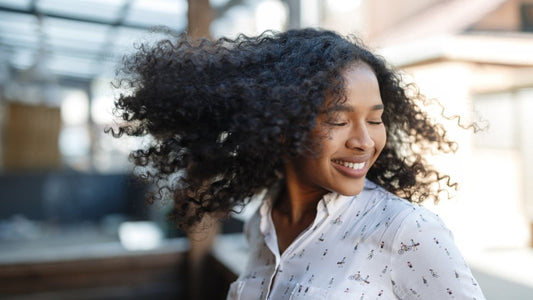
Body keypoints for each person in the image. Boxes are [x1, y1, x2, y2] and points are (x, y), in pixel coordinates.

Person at [110, 28, 486, 299]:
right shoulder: (263, 224)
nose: (364, 141)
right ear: (279, 127)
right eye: (338, 121)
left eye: (375, 119)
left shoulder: (406, 231)